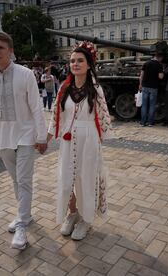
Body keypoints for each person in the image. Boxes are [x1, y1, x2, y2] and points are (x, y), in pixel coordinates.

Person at [0, 31, 47, 250]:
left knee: (24, 180)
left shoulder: (25, 74)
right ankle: (24, 216)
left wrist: (42, 136)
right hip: (4, 138)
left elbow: (36, 106)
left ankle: (21, 228)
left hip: (26, 135)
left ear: (11, 51)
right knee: (16, 180)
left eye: (1, 47)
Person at [47, 41, 111, 241]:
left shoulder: (96, 90)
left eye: (80, 60)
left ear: (89, 64)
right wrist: (47, 136)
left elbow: (103, 116)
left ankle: (85, 218)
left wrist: (101, 141)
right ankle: (72, 212)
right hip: (67, 139)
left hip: (89, 139)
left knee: (86, 179)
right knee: (67, 179)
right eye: (72, 60)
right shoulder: (64, 88)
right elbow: (56, 114)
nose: (75, 64)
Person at [139, 53, 164, 127]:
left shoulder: (146, 63)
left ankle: (143, 122)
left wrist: (140, 84)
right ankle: (150, 123)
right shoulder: (159, 65)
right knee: (152, 105)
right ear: (160, 58)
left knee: (144, 105)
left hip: (145, 86)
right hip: (153, 87)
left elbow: (141, 75)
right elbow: (160, 77)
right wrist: (163, 72)